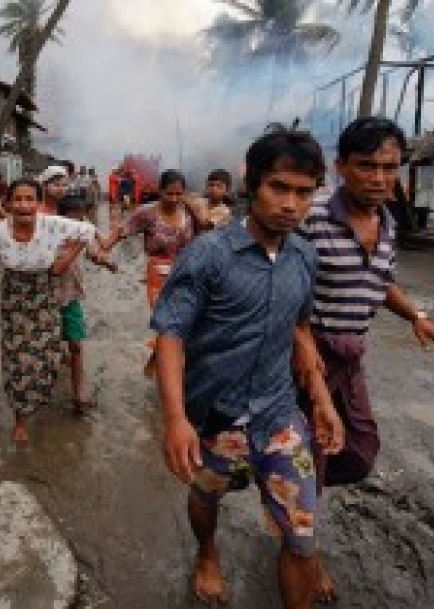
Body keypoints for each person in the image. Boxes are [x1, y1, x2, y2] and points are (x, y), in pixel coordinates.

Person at [151, 128, 344, 609]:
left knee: (302, 537)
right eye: (280, 187)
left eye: (304, 192)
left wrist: (320, 400)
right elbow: (170, 334)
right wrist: (176, 420)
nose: (291, 205)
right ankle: (208, 551)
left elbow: (300, 328)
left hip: (279, 415)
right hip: (213, 416)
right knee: (206, 496)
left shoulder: (304, 256)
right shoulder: (207, 255)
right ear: (253, 184)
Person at [297, 117, 434, 603]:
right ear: (341, 166)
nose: (379, 178)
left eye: (389, 167)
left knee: (361, 453)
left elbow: (379, 280)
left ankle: (288, 492)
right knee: (315, 455)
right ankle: (306, 548)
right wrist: (304, 353)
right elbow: (281, 289)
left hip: (351, 353)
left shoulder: (387, 220)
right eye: (367, 166)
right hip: (306, 351)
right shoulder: (313, 216)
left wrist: (416, 314)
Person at [0, 179, 111, 444]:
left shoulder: (53, 224)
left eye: (29, 199)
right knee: (16, 361)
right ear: (8, 203)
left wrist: (103, 245)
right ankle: (20, 418)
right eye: (17, 199)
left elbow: (88, 229)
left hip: (46, 297)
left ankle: (41, 394)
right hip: (15, 301)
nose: (23, 205)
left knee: (47, 357)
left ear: (39, 203)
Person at [103, 170, 203, 375]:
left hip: (187, 273)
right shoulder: (147, 213)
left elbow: (205, 236)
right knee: (167, 322)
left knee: (185, 324)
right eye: (169, 194)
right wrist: (103, 249)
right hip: (158, 274)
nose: (174, 199)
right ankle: (164, 369)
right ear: (160, 191)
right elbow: (122, 231)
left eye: (179, 194)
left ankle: (159, 361)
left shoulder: (190, 211)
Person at [54, 193, 118, 413]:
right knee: (47, 346)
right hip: (46, 299)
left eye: (79, 218)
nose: (76, 223)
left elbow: (94, 253)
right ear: (60, 217)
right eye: (71, 218)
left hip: (71, 297)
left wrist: (106, 261)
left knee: (76, 345)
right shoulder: (49, 234)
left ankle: (77, 395)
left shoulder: (83, 233)